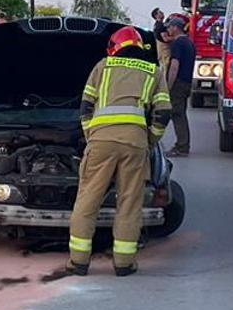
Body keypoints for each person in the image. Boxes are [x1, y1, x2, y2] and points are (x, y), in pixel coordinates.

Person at [68, 26, 170, 277]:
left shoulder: (103, 67)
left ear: (115, 47)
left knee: (87, 200)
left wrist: (91, 134)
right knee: (129, 203)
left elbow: (85, 106)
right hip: (135, 144)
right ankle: (124, 263)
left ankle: (78, 262)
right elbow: (164, 113)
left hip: (101, 141)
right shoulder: (153, 72)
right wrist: (149, 138)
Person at [160, 15, 196, 157]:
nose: (168, 29)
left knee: (177, 114)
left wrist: (168, 86)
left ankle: (181, 147)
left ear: (175, 27)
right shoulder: (189, 43)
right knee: (181, 114)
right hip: (186, 82)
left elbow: (174, 66)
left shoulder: (177, 44)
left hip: (178, 83)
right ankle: (183, 145)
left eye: (169, 27)